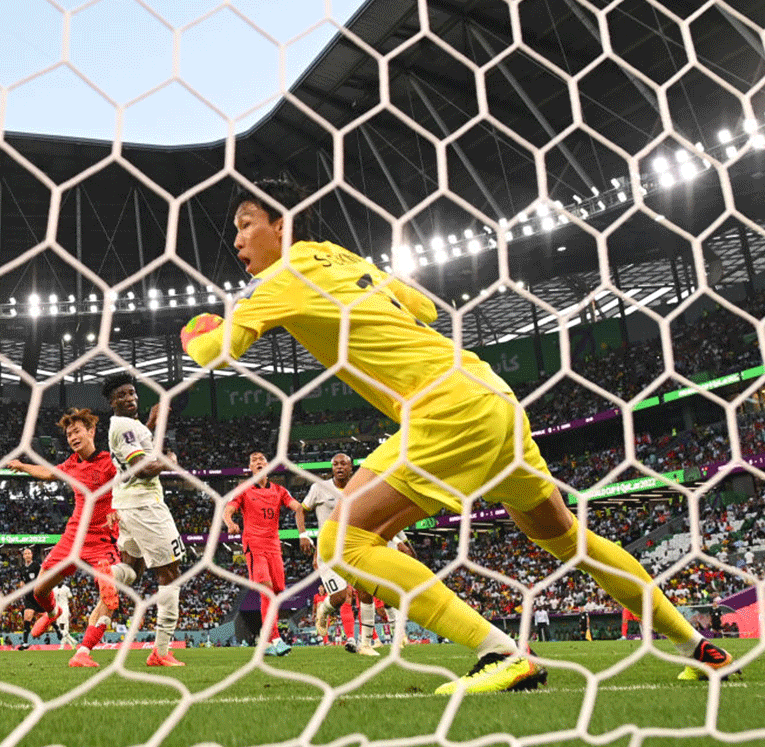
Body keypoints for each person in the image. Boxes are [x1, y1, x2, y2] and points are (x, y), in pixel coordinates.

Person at [181, 177, 736, 693]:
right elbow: (420, 304)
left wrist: (196, 331)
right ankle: (699, 647)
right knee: (566, 537)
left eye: (245, 224)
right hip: (487, 392)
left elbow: (216, 351)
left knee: (341, 542)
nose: (237, 240)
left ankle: (500, 654)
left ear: (283, 224)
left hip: (446, 410)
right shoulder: (344, 258)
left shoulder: (281, 278)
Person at [8, 407, 130, 668]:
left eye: (77, 431)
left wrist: (118, 509)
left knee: (109, 594)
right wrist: (22, 466)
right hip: (73, 536)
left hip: (101, 540)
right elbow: (48, 472)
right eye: (68, 434)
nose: (73, 437)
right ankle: (54, 613)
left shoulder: (110, 462)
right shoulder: (71, 464)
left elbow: (128, 485)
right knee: (40, 590)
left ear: (91, 431)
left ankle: (83, 652)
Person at [102, 373, 186, 668]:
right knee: (171, 572)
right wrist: (169, 462)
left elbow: (141, 443)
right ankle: (161, 652)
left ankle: (110, 575)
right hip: (144, 506)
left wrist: (152, 422)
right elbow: (141, 468)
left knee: (133, 570)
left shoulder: (131, 426)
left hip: (127, 504)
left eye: (132, 393)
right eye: (122, 395)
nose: (129, 398)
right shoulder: (123, 427)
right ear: (112, 402)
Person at [223, 451, 309, 657]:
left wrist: (304, 529)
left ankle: (267, 640)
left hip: (274, 545)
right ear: (250, 468)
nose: (258, 462)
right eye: (254, 460)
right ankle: (276, 638)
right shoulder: (243, 490)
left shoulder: (279, 490)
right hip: (254, 543)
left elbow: (298, 507)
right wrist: (230, 523)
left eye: (262, 459)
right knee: (267, 588)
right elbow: (228, 509)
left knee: (277, 590)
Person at [303, 453, 379, 656]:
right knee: (339, 597)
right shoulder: (319, 488)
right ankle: (324, 611)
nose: (339, 467)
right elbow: (301, 510)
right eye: (335, 464)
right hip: (329, 550)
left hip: (354, 547)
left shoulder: (361, 487)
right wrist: (303, 535)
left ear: (351, 467)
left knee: (365, 591)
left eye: (343, 463)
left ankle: (366, 643)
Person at [15, 547, 42, 650]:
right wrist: (22, 587)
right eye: (25, 554)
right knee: (27, 618)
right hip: (28, 597)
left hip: (38, 595)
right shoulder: (22, 568)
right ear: (23, 556)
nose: (27, 555)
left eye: (29, 553)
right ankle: (25, 643)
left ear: (32, 555)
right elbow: (22, 581)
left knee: (48, 614)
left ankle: (59, 632)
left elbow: (41, 577)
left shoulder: (36, 566)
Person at [52, 584, 79, 649]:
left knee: (62, 627)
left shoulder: (66, 588)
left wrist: (74, 610)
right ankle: (73, 642)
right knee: (60, 628)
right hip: (57, 610)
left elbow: (71, 600)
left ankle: (62, 645)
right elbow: (53, 600)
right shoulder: (54, 589)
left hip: (64, 609)